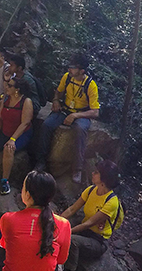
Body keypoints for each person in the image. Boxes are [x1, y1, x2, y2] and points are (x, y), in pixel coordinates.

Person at [34, 53, 99, 184]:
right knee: (47, 125)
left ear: (82, 71)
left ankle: (77, 169)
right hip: (64, 110)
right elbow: (58, 91)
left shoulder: (91, 86)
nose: (69, 70)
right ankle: (41, 161)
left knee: (80, 130)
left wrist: (75, 115)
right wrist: (56, 100)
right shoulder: (67, 77)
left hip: (81, 114)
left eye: (73, 67)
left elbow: (95, 112)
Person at [59, 160, 121, 271]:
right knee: (65, 226)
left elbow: (89, 223)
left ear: (104, 178)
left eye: (97, 172)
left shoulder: (112, 202)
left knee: (72, 240)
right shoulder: (91, 190)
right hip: (85, 230)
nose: (93, 173)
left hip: (98, 240)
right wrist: (57, 221)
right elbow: (72, 209)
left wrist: (67, 231)